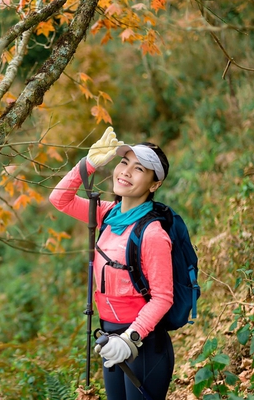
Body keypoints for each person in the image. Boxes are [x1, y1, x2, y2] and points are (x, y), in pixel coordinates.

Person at [49, 127, 174, 400]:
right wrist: (89, 164)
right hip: (108, 339)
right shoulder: (107, 214)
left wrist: (131, 339)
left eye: (139, 169)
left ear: (155, 184)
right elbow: (59, 199)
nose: (125, 172)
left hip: (143, 344)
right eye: (124, 162)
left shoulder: (152, 233)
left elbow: (163, 298)